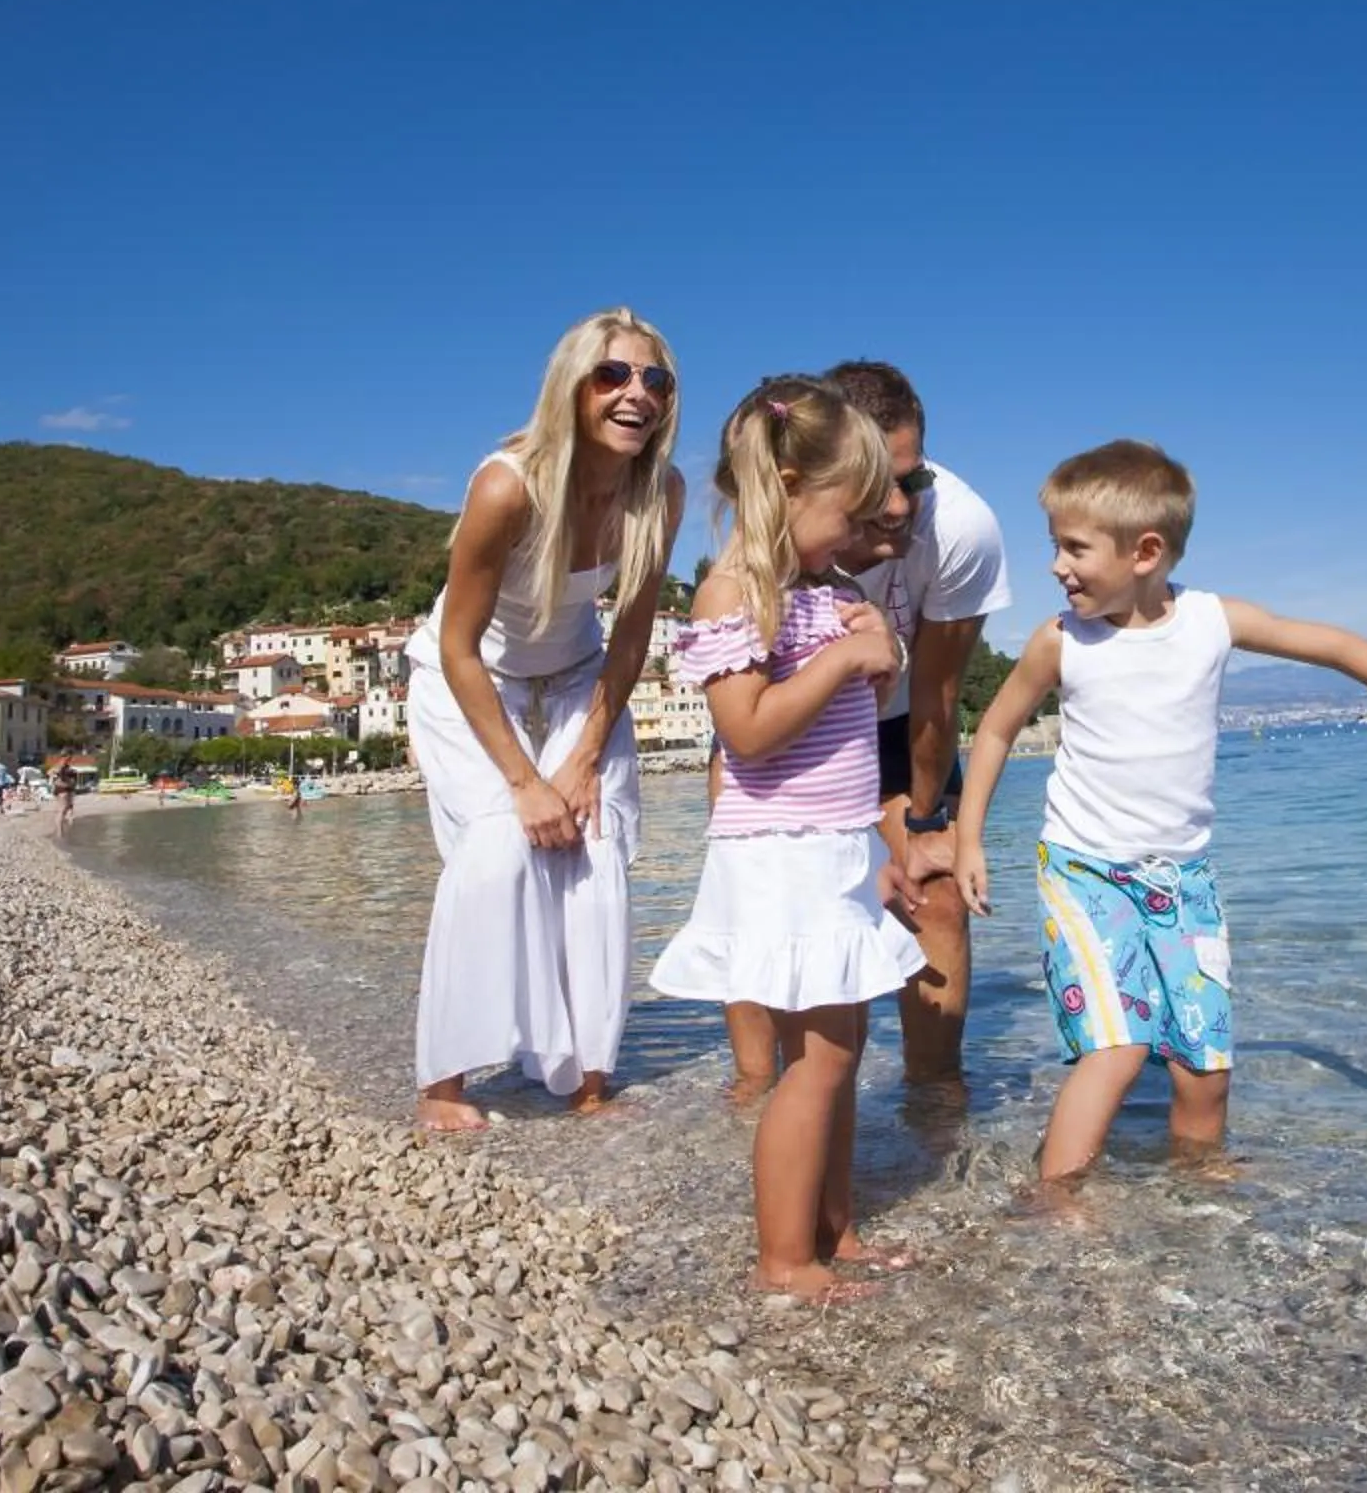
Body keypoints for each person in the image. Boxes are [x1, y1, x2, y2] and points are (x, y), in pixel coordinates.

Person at [942, 439, 1367, 1182]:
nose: (1056, 566)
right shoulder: (1061, 641)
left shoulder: (1210, 621)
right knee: (1117, 1049)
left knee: (1204, 1064)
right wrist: (969, 838)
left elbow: (1328, 643)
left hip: (1184, 878)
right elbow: (998, 729)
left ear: (1145, 551)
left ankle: (1200, 1188)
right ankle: (1056, 1200)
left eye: (1074, 548)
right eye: (1055, 546)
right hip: (1083, 870)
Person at [651, 376, 929, 1302]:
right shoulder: (733, 592)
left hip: (835, 846)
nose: (856, 537)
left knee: (843, 1049)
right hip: (781, 854)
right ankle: (783, 1257)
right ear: (785, 484)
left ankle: (833, 1227)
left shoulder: (821, 588)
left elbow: (849, 719)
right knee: (813, 1064)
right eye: (847, 515)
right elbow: (749, 731)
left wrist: (875, 647)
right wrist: (845, 657)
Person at [406, 307, 688, 1131]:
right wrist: (526, 783)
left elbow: (632, 632)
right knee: (499, 849)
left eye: (655, 380)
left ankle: (586, 1075)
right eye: (613, 375)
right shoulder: (508, 486)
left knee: (595, 849)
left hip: (579, 676)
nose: (637, 394)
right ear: (571, 386)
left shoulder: (659, 492)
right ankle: (443, 1084)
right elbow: (458, 647)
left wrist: (585, 756)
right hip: (470, 677)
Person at [719, 359, 1010, 1091]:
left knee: (935, 891)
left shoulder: (963, 527)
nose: (902, 506)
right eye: (882, 484)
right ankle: (757, 1095)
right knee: (765, 907)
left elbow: (938, 694)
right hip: (787, 718)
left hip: (903, 723)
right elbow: (748, 706)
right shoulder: (782, 525)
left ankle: (933, 1103)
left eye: (915, 479)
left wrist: (924, 825)